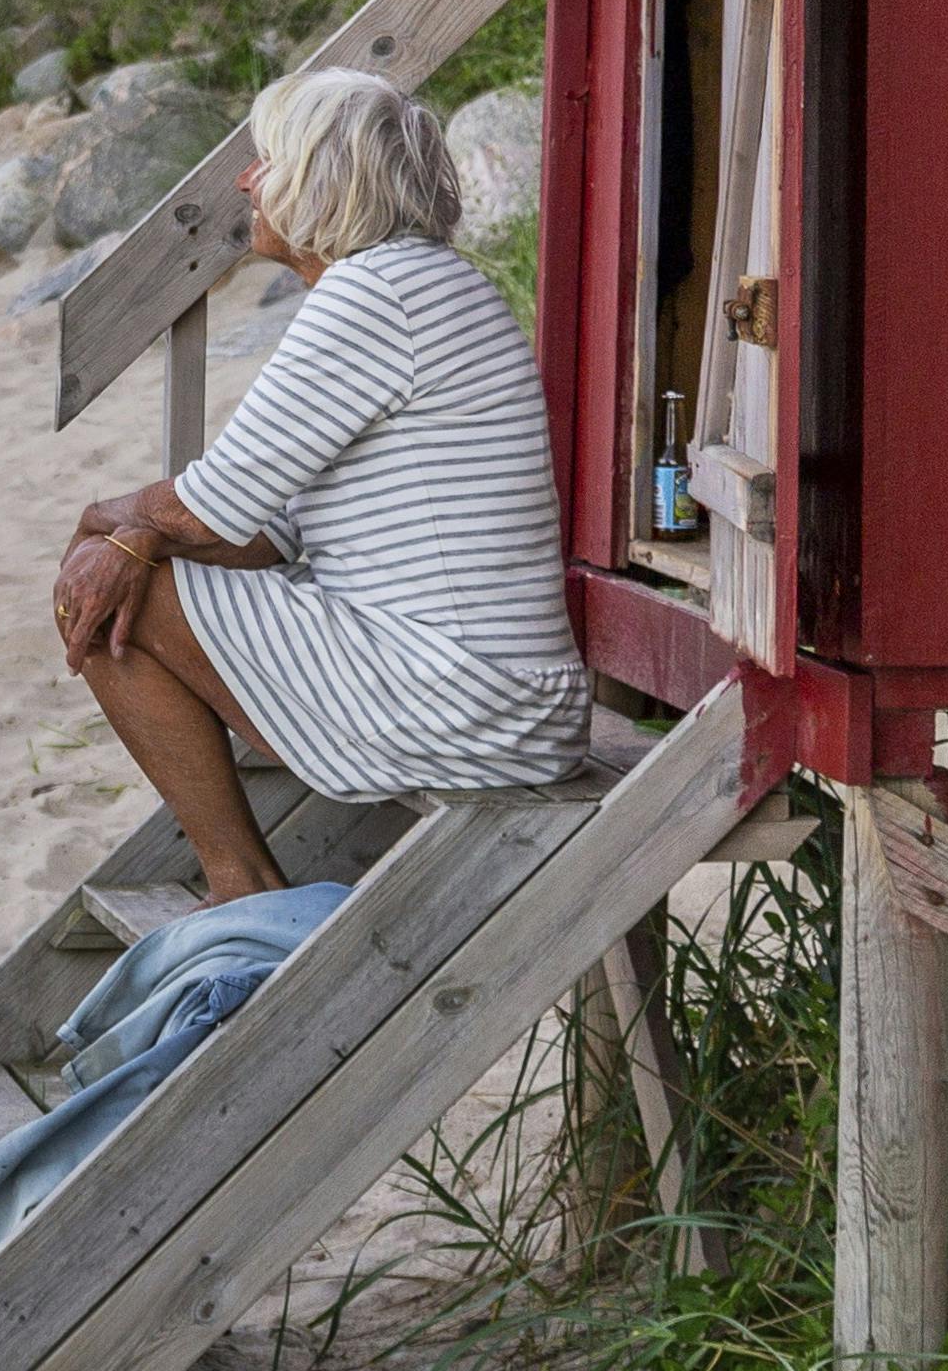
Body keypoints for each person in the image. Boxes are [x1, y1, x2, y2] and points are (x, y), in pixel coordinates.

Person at [52, 66, 591, 901]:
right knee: (116, 571)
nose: (245, 181)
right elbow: (265, 533)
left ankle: (239, 884)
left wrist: (103, 523)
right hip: (498, 692)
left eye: (266, 161)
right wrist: (137, 534)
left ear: (319, 182)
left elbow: (209, 507)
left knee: (117, 589)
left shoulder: (376, 293)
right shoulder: (411, 280)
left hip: (474, 698)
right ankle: (240, 881)